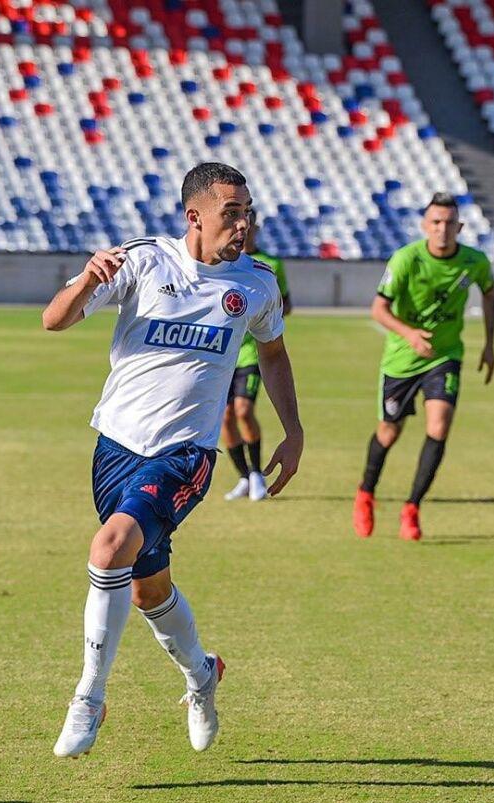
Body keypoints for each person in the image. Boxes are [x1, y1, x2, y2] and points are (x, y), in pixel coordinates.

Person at [41, 162, 304, 758]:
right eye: (231, 213)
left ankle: (89, 696)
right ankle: (202, 675)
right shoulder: (143, 261)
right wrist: (87, 280)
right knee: (146, 589)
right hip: (115, 447)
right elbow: (53, 320)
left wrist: (293, 432)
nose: (243, 224)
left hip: (186, 454)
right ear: (195, 216)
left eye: (247, 212)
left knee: (110, 547)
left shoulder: (256, 284)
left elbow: (274, 355)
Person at [353, 192, 494, 540]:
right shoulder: (406, 259)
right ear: (424, 225)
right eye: (436, 222)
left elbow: (490, 293)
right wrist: (409, 334)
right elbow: (378, 309)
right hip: (402, 360)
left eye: (449, 223)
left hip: (445, 356)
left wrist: (490, 344)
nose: (442, 229)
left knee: (439, 426)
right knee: (389, 431)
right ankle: (366, 493)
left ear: (459, 227)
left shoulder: (475, 261)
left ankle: (412, 508)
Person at [222, 211, 293, 501]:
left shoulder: (271, 265)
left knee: (243, 410)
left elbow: (286, 304)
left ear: (255, 227)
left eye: (249, 224)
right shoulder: (223, 264)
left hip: (251, 353)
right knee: (225, 418)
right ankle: (243, 477)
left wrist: (262, 314)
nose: (244, 229)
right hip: (224, 354)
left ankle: (256, 474)